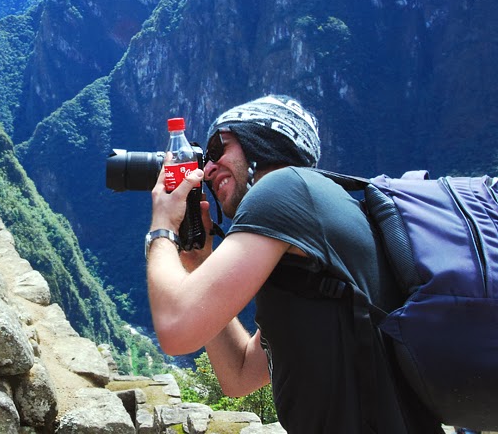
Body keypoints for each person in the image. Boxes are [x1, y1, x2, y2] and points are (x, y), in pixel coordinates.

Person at [145, 95, 443, 433]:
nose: (208, 168)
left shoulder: (282, 189)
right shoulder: (311, 222)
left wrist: (163, 226)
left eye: (218, 148)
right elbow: (240, 373)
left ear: (262, 143)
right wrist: (199, 263)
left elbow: (175, 330)